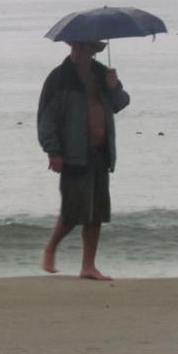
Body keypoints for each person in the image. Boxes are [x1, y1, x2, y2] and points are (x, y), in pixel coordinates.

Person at [37, 41, 130, 280]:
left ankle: (88, 266)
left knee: (96, 213)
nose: (77, 52)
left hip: (100, 152)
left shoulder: (102, 74)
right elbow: (47, 118)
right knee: (72, 211)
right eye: (74, 48)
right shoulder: (59, 78)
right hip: (73, 153)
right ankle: (50, 249)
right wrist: (53, 151)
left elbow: (120, 103)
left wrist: (113, 87)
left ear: (93, 51)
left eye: (83, 48)